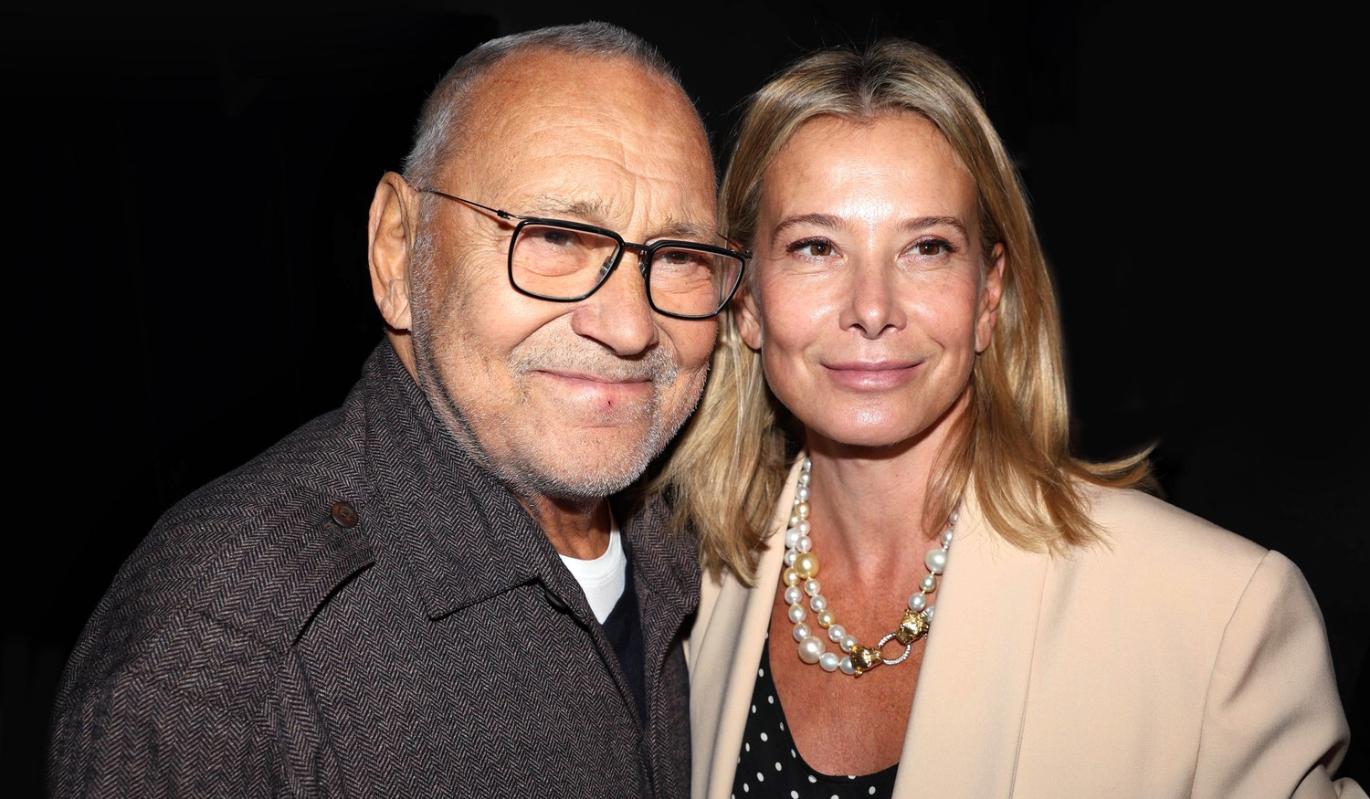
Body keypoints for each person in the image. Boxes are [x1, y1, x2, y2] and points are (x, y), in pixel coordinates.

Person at [49, 22, 747, 797]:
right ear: (396, 248)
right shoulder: (225, 643)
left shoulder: (703, 558)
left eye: (679, 256)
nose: (630, 326)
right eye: (555, 236)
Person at [665, 40, 1365, 798]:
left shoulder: (1218, 618)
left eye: (927, 247)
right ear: (747, 297)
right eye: (816, 246)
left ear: (989, 294)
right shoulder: (682, 589)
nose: (872, 308)